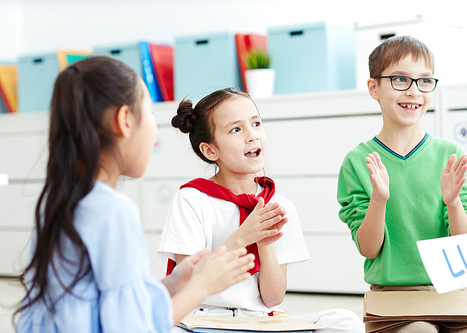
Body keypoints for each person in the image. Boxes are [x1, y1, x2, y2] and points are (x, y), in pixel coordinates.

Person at [14, 56, 255, 333]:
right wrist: (203, 286)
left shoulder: (59, 202)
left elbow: (99, 297)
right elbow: (134, 327)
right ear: (125, 120)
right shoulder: (113, 210)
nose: (154, 127)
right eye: (150, 113)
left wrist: (174, 283)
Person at [157, 87, 364, 333]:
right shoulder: (192, 199)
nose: (252, 136)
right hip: (201, 319)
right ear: (210, 150)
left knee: (344, 321)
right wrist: (243, 237)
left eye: (256, 123)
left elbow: (273, 299)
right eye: (236, 129)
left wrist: (265, 244)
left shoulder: (279, 205)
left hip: (258, 320)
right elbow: (185, 283)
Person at [337, 36, 467, 332]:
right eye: (400, 79)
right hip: (393, 296)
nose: (414, 91)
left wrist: (453, 201)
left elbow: (464, 241)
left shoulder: (451, 155)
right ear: (374, 88)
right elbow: (370, 249)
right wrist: (379, 199)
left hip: (453, 290)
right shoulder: (358, 162)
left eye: (424, 81)